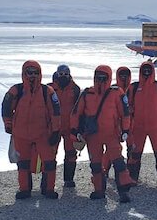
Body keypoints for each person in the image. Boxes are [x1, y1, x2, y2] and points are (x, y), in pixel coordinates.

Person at [70, 65, 134, 202]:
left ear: (109, 78)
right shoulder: (87, 93)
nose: (100, 80)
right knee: (96, 164)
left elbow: (125, 114)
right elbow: (76, 113)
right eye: (98, 77)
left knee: (118, 163)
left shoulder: (117, 93)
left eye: (103, 77)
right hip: (93, 135)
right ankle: (99, 190)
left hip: (112, 134)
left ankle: (123, 191)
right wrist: (74, 131)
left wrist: (126, 130)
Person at [2, 61, 62, 199]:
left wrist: (55, 131)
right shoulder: (16, 90)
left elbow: (56, 112)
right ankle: (24, 189)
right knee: (23, 163)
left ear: (40, 74)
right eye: (30, 72)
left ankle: (48, 189)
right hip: (21, 134)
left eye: (35, 72)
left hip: (43, 134)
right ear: (24, 73)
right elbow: (6, 108)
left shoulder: (47, 91)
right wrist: (8, 124)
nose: (32, 75)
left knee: (49, 162)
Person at [127, 61, 157, 188]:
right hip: (138, 127)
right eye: (144, 70)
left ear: (152, 71)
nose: (146, 73)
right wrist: (132, 112)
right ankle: (132, 178)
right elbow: (126, 105)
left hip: (155, 127)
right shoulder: (134, 87)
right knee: (135, 154)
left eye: (149, 70)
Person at [48, 64, 82, 187]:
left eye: (65, 74)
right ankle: (48, 182)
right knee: (50, 155)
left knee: (71, 154)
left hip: (70, 128)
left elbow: (80, 109)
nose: (63, 76)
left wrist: (79, 128)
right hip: (54, 128)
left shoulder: (75, 89)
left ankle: (68, 179)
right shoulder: (49, 88)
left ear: (69, 74)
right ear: (57, 74)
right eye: (61, 74)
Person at [115, 66, 133, 161]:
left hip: (131, 122)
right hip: (115, 122)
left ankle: (130, 169)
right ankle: (105, 170)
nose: (123, 77)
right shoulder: (113, 89)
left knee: (132, 146)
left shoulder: (133, 88)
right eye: (121, 75)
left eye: (126, 75)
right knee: (114, 148)